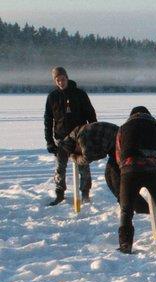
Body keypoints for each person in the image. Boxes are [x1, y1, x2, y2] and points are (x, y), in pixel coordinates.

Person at [115, 106, 156, 253]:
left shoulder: (123, 128)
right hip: (153, 169)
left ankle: (125, 244)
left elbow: (118, 154)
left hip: (129, 169)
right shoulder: (155, 127)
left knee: (126, 209)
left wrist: (124, 168)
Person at [56, 122, 149, 213]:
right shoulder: (79, 133)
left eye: (76, 151)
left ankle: (139, 207)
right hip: (117, 147)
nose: (78, 152)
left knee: (115, 178)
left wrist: (75, 158)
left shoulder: (81, 137)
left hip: (123, 145)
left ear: (75, 144)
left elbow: (87, 157)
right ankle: (130, 204)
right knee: (110, 176)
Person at [44, 66, 97, 206]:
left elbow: (91, 115)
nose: (61, 82)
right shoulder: (52, 97)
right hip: (62, 139)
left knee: (83, 166)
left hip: (80, 138)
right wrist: (49, 141)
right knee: (60, 167)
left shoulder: (80, 94)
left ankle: (85, 194)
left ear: (67, 78)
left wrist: (93, 135)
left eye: (62, 79)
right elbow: (48, 120)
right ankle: (60, 194)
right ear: (55, 81)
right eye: (57, 80)